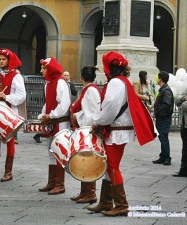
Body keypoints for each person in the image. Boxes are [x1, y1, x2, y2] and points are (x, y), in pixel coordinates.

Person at [87, 51, 156, 216]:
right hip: (117, 130)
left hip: (116, 131)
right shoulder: (122, 81)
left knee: (112, 167)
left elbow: (110, 107)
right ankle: (105, 202)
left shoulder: (115, 83)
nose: (104, 71)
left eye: (105, 68)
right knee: (109, 166)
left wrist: (98, 121)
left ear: (110, 68)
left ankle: (121, 204)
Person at [0, 48, 26, 182]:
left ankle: (8, 172)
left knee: (9, 141)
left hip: (9, 113)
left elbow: (21, 96)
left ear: (9, 60)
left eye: (3, 59)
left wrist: (6, 96)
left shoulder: (16, 76)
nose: (1, 62)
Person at [38, 57, 71, 195]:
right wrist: (42, 114)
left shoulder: (60, 83)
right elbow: (48, 102)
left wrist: (51, 115)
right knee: (51, 151)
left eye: (44, 68)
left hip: (60, 122)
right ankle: (52, 182)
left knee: (59, 151)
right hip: (52, 121)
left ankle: (60, 184)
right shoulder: (48, 84)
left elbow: (64, 105)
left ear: (50, 69)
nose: (41, 71)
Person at [70, 65, 101, 204]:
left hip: (88, 129)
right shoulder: (90, 90)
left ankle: (90, 193)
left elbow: (93, 112)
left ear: (82, 77)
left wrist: (79, 118)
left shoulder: (91, 91)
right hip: (86, 127)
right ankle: (84, 191)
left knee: (88, 161)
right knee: (84, 160)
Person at [152, 71, 174, 166]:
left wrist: (160, 113)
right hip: (161, 118)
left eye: (158, 77)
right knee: (161, 137)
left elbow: (166, 105)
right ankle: (163, 156)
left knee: (164, 137)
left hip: (164, 118)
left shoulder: (166, 90)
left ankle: (167, 157)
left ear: (160, 79)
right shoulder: (163, 89)